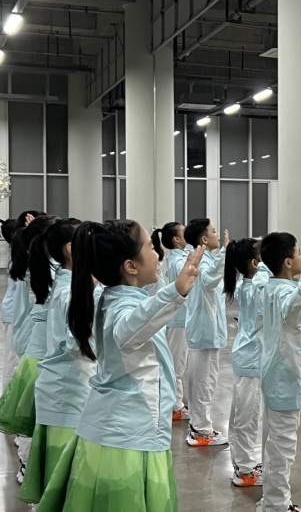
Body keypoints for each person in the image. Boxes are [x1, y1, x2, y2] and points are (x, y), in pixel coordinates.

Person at [36, 219, 203, 512]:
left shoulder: (112, 297)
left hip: (125, 432)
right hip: (125, 440)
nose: (158, 254)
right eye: (150, 248)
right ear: (130, 266)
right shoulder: (119, 307)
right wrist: (174, 292)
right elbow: (128, 329)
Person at [19, 218, 84, 504]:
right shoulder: (70, 293)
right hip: (67, 391)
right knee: (61, 478)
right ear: (71, 249)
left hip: (64, 390)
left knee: (58, 476)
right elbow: (81, 345)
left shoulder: (68, 283)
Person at [259, 232, 301, 512]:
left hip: (276, 376)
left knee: (275, 443)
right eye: (298, 253)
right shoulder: (287, 293)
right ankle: (276, 505)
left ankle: (272, 501)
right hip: (284, 379)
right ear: (287, 262)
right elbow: (292, 314)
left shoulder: (275, 286)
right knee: (283, 448)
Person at [0, 214, 55, 483]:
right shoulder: (41, 267)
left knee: (33, 405)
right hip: (33, 340)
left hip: (29, 336)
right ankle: (27, 464)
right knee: (32, 407)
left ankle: (27, 460)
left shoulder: (34, 262)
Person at [224, 238, 270, 487]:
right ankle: (244, 470)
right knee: (247, 417)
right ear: (254, 263)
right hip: (251, 358)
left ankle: (243, 464)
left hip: (248, 356)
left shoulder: (248, 283)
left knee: (243, 413)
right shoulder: (255, 287)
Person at [183, 218, 230, 446]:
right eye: (213, 231)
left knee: (202, 381)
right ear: (204, 238)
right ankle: (200, 431)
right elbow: (210, 280)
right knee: (204, 383)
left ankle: (199, 426)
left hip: (205, 331)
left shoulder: (206, 259)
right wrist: (225, 253)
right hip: (205, 331)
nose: (217, 235)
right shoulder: (201, 260)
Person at [152, 222, 191, 421]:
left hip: (181, 319)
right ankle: (175, 406)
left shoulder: (178, 258)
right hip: (178, 320)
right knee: (176, 365)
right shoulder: (177, 262)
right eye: (184, 233)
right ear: (176, 239)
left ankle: (177, 403)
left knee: (178, 364)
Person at [1, 218, 19, 390]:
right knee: (12, 359)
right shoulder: (17, 255)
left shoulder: (15, 252)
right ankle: (7, 398)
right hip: (13, 312)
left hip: (14, 311)